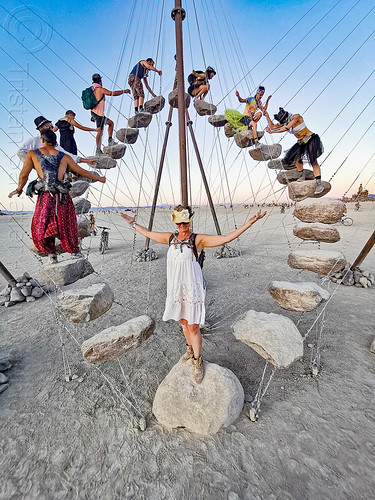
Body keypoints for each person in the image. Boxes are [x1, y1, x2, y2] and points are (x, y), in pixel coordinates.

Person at [120, 204, 266, 384]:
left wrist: (249, 223)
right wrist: (133, 224)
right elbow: (148, 233)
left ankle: (197, 360)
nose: (182, 226)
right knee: (183, 323)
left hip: (192, 289)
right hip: (176, 288)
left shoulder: (197, 240)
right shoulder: (170, 238)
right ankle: (189, 350)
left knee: (193, 326)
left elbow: (225, 238)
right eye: (179, 223)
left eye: (184, 222)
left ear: (189, 221)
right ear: (175, 222)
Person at [9, 130, 106, 263]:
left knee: (44, 223)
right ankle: (74, 252)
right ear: (55, 142)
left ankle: (52, 255)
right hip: (62, 196)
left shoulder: (32, 154)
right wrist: (99, 178)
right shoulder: (64, 156)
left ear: (42, 140)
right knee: (66, 223)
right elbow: (81, 171)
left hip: (45, 196)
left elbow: (23, 174)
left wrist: (19, 189)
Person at [263, 107, 325, 195]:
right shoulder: (285, 122)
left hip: (310, 139)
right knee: (297, 159)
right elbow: (273, 126)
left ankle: (319, 183)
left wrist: (272, 132)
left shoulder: (297, 117)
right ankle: (301, 175)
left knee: (313, 160)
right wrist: (267, 116)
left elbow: (286, 128)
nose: (284, 122)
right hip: (301, 142)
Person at [18, 116, 96, 165]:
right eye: (47, 126)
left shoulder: (54, 144)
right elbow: (21, 152)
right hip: (44, 172)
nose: (50, 128)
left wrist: (85, 160)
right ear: (40, 129)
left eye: (51, 126)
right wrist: (32, 164)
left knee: (66, 160)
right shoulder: (35, 140)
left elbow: (66, 154)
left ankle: (80, 177)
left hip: (56, 172)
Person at [90, 73, 131, 155]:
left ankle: (110, 140)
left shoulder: (92, 89)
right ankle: (98, 151)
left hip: (96, 113)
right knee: (99, 131)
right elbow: (112, 93)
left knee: (110, 123)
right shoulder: (100, 89)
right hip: (98, 114)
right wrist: (124, 91)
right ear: (100, 81)